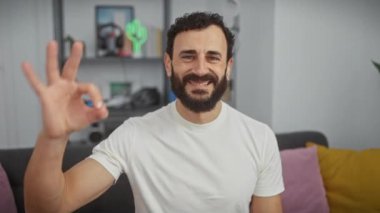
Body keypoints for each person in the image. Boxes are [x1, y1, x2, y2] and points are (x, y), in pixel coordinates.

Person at [22, 12, 284, 213]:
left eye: (213, 57)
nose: (201, 69)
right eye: (188, 56)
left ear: (228, 67)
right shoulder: (134, 133)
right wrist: (53, 137)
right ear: (169, 65)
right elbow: (48, 207)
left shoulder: (260, 137)